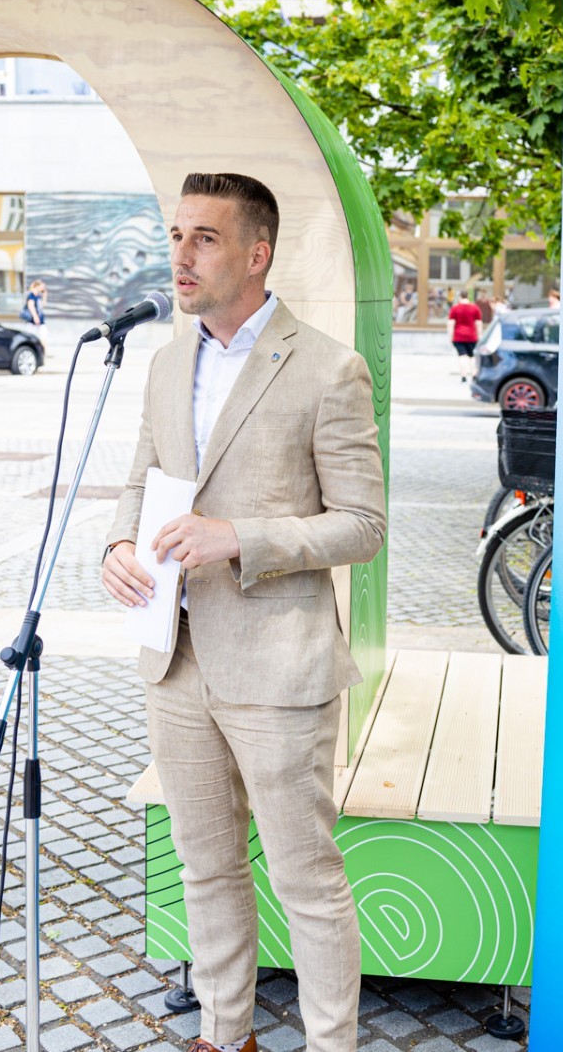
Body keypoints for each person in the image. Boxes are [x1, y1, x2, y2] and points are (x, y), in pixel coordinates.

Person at [101, 172, 386, 1052]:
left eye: (205, 238)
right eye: (176, 234)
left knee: (307, 878)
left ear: (257, 254)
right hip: (175, 656)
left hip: (279, 663)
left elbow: (364, 525)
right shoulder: (165, 362)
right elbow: (141, 479)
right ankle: (227, 1035)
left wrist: (240, 538)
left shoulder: (329, 367)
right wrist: (116, 545)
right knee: (206, 865)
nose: (181, 254)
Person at [448, 290, 482, 379]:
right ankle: (474, 374)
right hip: (472, 336)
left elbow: (451, 323)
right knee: (472, 356)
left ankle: (463, 375)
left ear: (460, 297)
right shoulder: (474, 308)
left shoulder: (455, 308)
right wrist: (480, 335)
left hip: (458, 336)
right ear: (467, 296)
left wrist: (450, 336)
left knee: (462, 355)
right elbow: (478, 323)